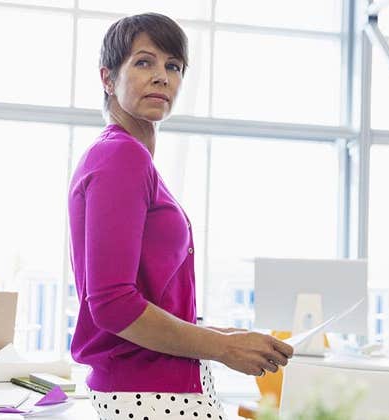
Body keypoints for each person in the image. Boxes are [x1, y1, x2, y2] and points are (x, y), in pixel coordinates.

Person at [67, 13, 294, 419]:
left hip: (158, 386)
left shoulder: (130, 159)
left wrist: (224, 335)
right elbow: (113, 305)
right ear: (107, 78)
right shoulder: (121, 156)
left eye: (173, 66)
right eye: (143, 62)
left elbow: (144, 297)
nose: (162, 77)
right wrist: (226, 348)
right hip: (146, 392)